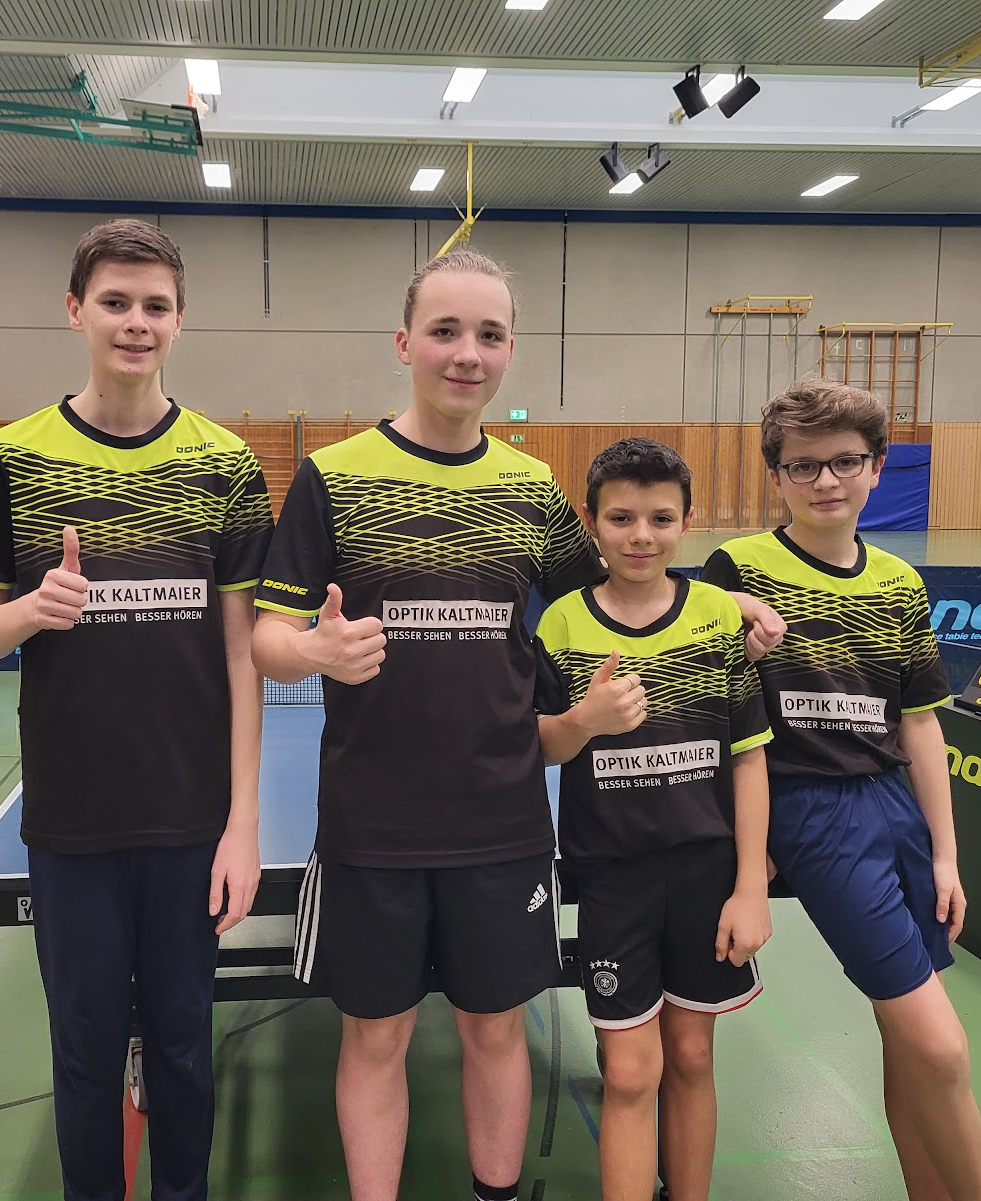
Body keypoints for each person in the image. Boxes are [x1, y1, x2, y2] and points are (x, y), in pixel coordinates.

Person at [250, 250, 603, 1201]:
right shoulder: (333, 476)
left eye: (489, 334)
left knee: (496, 1027)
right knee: (376, 1036)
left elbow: (607, 603)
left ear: (510, 350)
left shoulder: (530, 486)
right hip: (373, 823)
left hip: (503, 818)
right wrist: (312, 651)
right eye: (445, 331)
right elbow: (267, 640)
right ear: (404, 343)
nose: (466, 353)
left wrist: (726, 601)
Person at [0, 218, 273, 1201]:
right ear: (75, 312)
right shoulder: (14, 455)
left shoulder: (226, 464)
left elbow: (242, 651)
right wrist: (28, 610)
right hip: (72, 822)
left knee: (182, 1043)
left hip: (189, 821)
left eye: (155, 306)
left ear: (179, 321)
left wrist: (242, 823)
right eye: (115, 302)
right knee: (84, 1048)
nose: (136, 322)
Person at [701, 379, 981, 1201]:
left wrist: (946, 855)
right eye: (803, 466)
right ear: (777, 476)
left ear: (876, 467)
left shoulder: (899, 582)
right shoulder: (739, 567)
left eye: (844, 461)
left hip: (895, 807)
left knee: (909, 1050)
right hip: (811, 812)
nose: (825, 480)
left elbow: (920, 726)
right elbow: (684, 649)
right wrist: (722, 612)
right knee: (941, 1048)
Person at [533, 437, 772, 1201]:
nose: (641, 535)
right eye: (621, 518)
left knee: (692, 1057)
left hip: (706, 877)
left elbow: (748, 759)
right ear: (591, 522)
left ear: (686, 522)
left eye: (661, 518)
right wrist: (584, 719)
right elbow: (540, 745)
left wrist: (750, 885)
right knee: (631, 1072)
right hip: (613, 878)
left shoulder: (715, 617)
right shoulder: (561, 624)